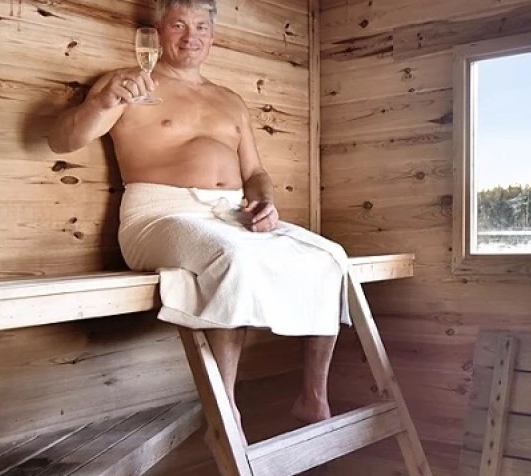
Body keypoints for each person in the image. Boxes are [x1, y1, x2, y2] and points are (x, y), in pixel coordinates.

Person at [48, 0, 346, 432]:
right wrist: (102, 103)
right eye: (179, 25)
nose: (191, 36)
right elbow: (62, 140)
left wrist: (265, 203)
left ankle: (313, 398)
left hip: (231, 217)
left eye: (201, 27)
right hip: (158, 215)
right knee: (232, 260)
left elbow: (257, 173)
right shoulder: (130, 84)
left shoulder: (230, 101)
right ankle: (224, 411)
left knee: (330, 258)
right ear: (158, 32)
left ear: (213, 35)